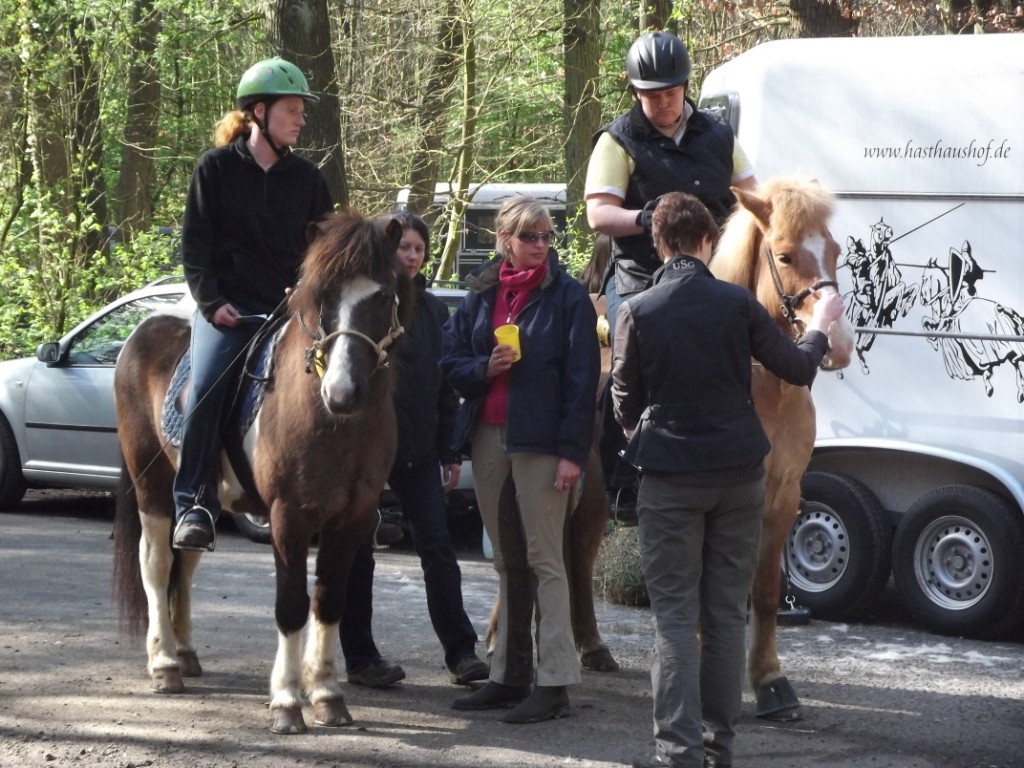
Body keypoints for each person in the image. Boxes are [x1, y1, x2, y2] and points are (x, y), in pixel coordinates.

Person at [610, 193, 844, 768]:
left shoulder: (637, 310)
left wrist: (649, 428)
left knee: (674, 618)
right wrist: (818, 325)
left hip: (672, 479)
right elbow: (796, 367)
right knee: (723, 614)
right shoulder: (740, 307)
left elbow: (623, 396)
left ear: (660, 244)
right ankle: (721, 747)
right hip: (739, 479)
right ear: (709, 242)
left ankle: (678, 752)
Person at [584, 30, 758, 514]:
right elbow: (599, 214)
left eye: (670, 93)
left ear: (686, 87)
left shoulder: (718, 135)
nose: (662, 103)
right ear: (635, 92)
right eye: (651, 95)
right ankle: (623, 475)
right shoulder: (617, 140)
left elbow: (750, 194)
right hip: (642, 275)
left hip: (713, 272)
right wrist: (647, 218)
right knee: (627, 356)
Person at [440, 197, 600, 724]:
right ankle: (508, 675)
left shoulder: (567, 296)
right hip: (488, 435)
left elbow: (582, 384)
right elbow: (449, 361)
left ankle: (554, 683)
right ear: (506, 238)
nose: (541, 244)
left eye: (548, 235)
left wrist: (572, 454)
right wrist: (485, 367)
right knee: (505, 559)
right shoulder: (483, 293)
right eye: (531, 235)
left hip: (542, 443)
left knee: (544, 559)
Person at [172, 57, 332, 551]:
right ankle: (193, 501)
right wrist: (212, 303)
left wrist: (304, 289)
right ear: (258, 112)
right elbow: (194, 247)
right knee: (207, 384)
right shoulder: (213, 169)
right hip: (230, 309)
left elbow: (324, 251)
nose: (301, 120)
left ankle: (348, 497)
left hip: (290, 311)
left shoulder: (308, 178)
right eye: (292, 110)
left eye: (302, 111)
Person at [338, 212, 489, 688]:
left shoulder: (431, 310)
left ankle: (462, 653)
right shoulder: (363, 304)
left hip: (418, 451)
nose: (411, 255)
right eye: (402, 246)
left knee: (438, 550)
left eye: (418, 249)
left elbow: (444, 384)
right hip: (363, 455)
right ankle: (361, 658)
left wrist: (449, 451)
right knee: (357, 554)